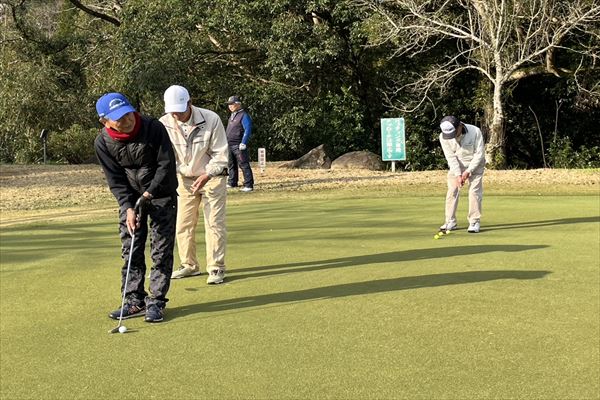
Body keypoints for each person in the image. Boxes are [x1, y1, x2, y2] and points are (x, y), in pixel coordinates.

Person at [94, 92, 178, 323]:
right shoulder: (102, 142)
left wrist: (149, 193)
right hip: (131, 199)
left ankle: (156, 302)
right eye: (119, 118)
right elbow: (115, 179)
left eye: (128, 113)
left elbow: (166, 164)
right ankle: (133, 301)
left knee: (161, 250)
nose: (128, 120)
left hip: (162, 195)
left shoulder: (153, 128)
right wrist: (128, 206)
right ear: (105, 121)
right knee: (131, 249)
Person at [159, 85, 229, 284]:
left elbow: (221, 155)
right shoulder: (164, 123)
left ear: (190, 103)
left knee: (214, 222)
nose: (176, 115)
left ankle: (216, 267)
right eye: (172, 111)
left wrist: (208, 174)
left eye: (179, 111)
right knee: (183, 223)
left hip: (213, 177)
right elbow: (165, 156)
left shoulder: (211, 119)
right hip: (184, 179)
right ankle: (189, 265)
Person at [438, 115, 486, 233]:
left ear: (459, 126)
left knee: (474, 191)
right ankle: (450, 221)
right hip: (457, 165)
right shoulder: (443, 136)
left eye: (454, 133)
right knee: (452, 190)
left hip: (476, 164)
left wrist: (468, 171)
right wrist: (458, 174)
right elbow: (450, 157)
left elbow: (479, 154)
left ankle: (474, 221)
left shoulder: (475, 131)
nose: (452, 136)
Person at [226, 95, 254, 192]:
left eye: (232, 104)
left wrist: (244, 142)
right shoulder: (232, 115)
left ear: (238, 104)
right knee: (231, 164)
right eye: (229, 104)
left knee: (243, 164)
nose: (230, 106)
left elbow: (248, 128)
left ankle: (248, 185)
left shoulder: (243, 115)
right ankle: (232, 182)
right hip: (230, 144)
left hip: (238, 144)